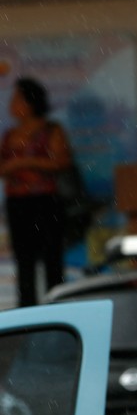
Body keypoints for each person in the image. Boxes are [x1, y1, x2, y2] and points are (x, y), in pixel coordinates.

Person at [0, 78, 71, 307]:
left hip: (45, 202)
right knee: (24, 262)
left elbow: (61, 162)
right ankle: (27, 316)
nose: (12, 103)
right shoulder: (10, 135)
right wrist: (13, 168)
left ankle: (57, 312)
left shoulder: (51, 130)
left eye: (17, 98)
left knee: (52, 259)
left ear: (30, 102)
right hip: (18, 203)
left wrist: (25, 163)